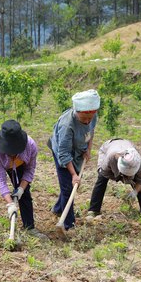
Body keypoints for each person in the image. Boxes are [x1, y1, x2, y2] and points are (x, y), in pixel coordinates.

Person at [0, 120, 47, 240]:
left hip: (18, 164)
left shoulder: (30, 146)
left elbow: (30, 170)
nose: (11, 154)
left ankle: (29, 227)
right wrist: (10, 204)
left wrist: (21, 188)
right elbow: (0, 179)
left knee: (24, 191)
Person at [49, 89, 100, 232]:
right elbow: (64, 153)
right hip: (62, 152)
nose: (88, 121)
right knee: (68, 188)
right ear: (77, 111)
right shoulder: (67, 125)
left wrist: (88, 148)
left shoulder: (92, 115)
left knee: (69, 186)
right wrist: (74, 175)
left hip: (78, 150)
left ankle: (58, 208)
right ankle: (69, 224)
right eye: (84, 118)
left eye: (90, 118)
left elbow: (91, 131)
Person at [86, 139, 141, 219]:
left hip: (126, 144)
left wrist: (135, 192)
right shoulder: (110, 159)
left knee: (138, 182)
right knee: (101, 180)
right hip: (108, 147)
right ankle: (93, 210)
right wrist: (120, 176)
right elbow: (104, 173)